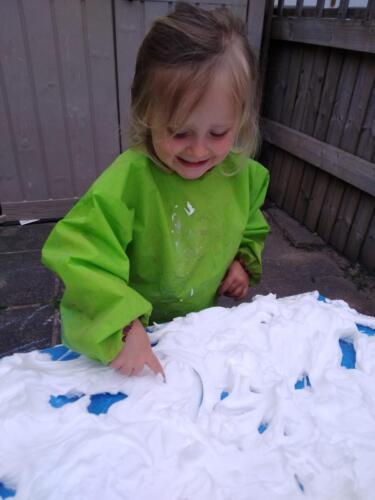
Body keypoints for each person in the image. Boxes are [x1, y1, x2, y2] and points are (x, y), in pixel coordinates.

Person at [42, 2, 269, 378]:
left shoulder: (238, 176)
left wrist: (242, 261)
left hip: (196, 333)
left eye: (218, 133)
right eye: (179, 132)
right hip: (136, 338)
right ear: (147, 115)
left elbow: (249, 224)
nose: (198, 151)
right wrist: (125, 324)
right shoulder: (130, 180)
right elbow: (81, 255)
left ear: (241, 119)